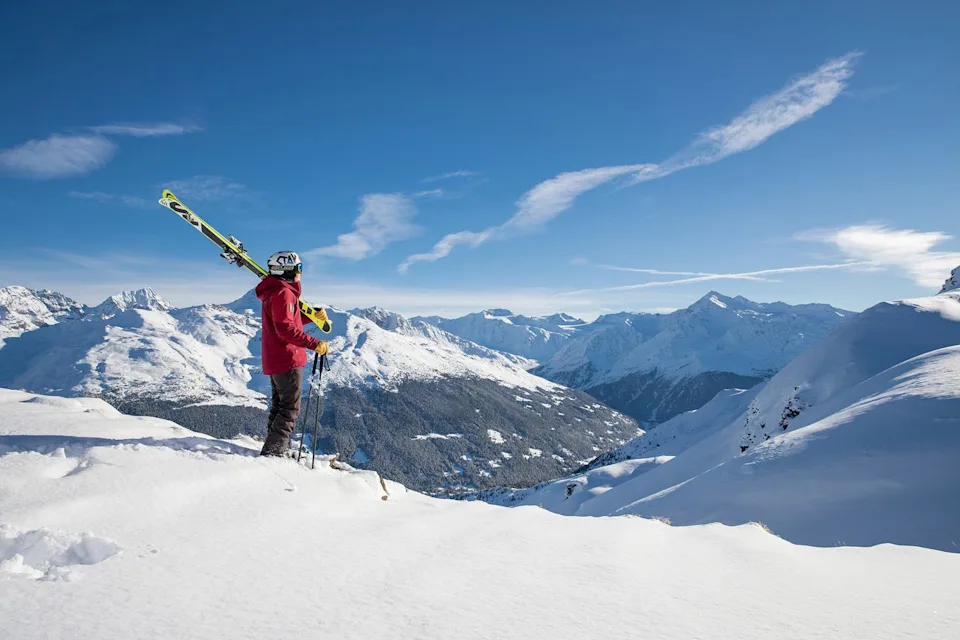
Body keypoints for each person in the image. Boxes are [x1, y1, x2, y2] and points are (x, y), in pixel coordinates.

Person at [255, 251, 329, 457]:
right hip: (287, 358)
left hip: (276, 359)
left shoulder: (275, 292)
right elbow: (286, 329)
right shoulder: (284, 293)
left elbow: (288, 319)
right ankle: (273, 452)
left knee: (280, 406)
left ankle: (273, 448)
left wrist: (313, 316)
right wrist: (314, 344)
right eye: (299, 269)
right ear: (287, 271)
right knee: (289, 409)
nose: (301, 273)